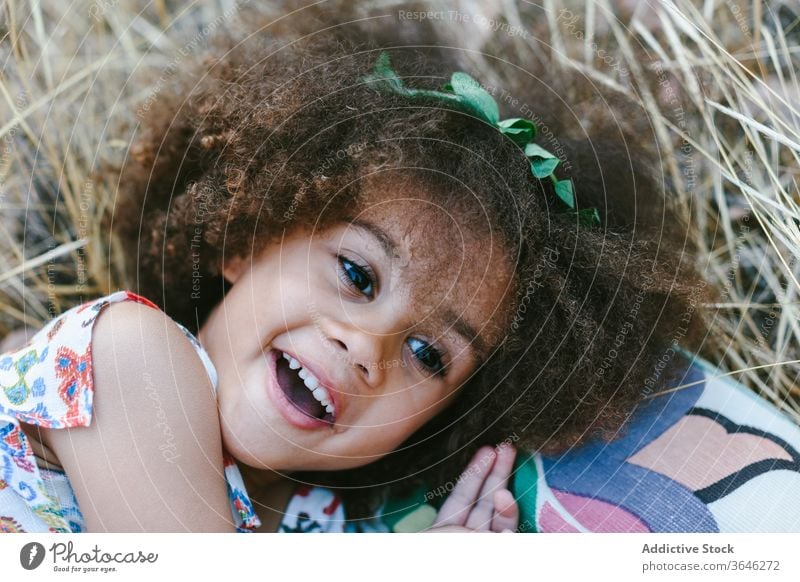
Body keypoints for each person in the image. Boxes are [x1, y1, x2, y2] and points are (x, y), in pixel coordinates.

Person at [0, 28, 711, 533]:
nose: (368, 345)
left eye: (429, 355)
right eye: (356, 273)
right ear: (251, 234)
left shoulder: (334, 530)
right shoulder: (133, 356)